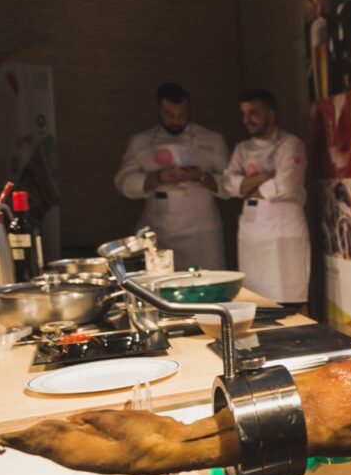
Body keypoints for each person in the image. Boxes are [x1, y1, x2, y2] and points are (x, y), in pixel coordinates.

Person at [114, 82, 228, 270]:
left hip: (202, 234)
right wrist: (157, 178)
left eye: (182, 115)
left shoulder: (212, 140)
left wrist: (201, 177)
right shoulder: (141, 142)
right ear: (159, 110)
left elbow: (230, 185)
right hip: (159, 230)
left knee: (206, 280)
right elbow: (123, 182)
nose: (176, 120)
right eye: (170, 115)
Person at [222, 89, 310, 307]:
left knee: (288, 300)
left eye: (253, 113)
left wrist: (246, 185)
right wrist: (264, 176)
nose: (247, 120)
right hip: (252, 232)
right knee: (256, 299)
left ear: (271, 114)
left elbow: (286, 186)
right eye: (244, 114)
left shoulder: (290, 144)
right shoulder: (242, 149)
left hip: (283, 231)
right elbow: (229, 185)